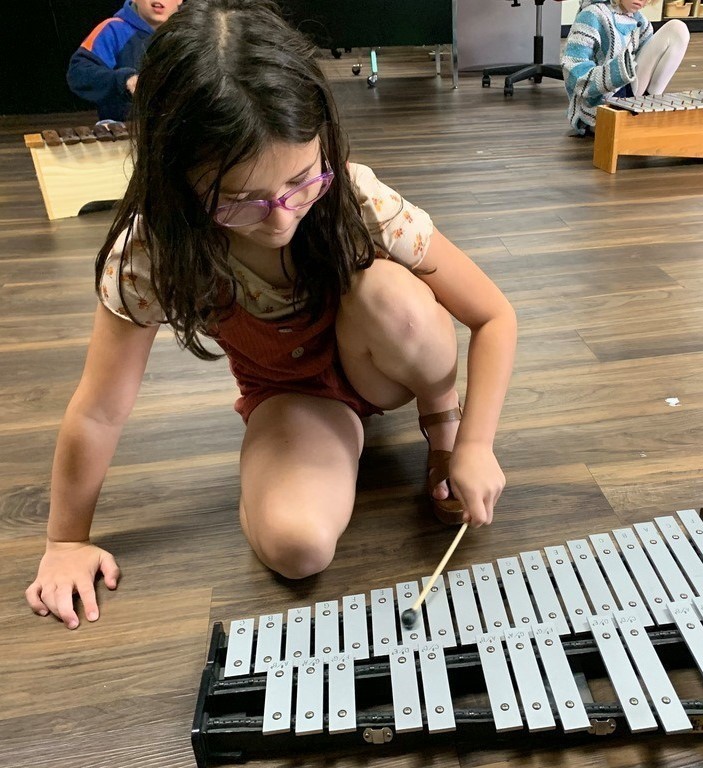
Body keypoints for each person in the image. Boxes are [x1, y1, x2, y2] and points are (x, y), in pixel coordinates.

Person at [26, 0, 517, 630]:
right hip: (294, 394)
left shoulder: (356, 197)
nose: (283, 218)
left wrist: (475, 442)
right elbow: (98, 408)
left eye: (301, 181)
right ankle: (330, 445)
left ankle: (438, 420)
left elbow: (493, 316)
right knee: (298, 546)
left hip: (381, 360)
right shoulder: (151, 252)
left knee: (390, 297)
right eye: (240, 202)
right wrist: (65, 541)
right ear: (177, 182)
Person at [561, 0, 690, 135]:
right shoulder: (591, 15)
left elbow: (650, 68)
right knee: (676, 28)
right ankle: (646, 110)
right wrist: (617, 72)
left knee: (678, 30)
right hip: (599, 109)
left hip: (628, 98)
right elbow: (573, 71)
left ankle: (650, 106)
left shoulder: (641, 22)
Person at [67, 0, 183, 122]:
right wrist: (124, 80)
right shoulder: (113, 30)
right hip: (122, 129)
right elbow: (78, 73)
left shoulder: (194, 33)